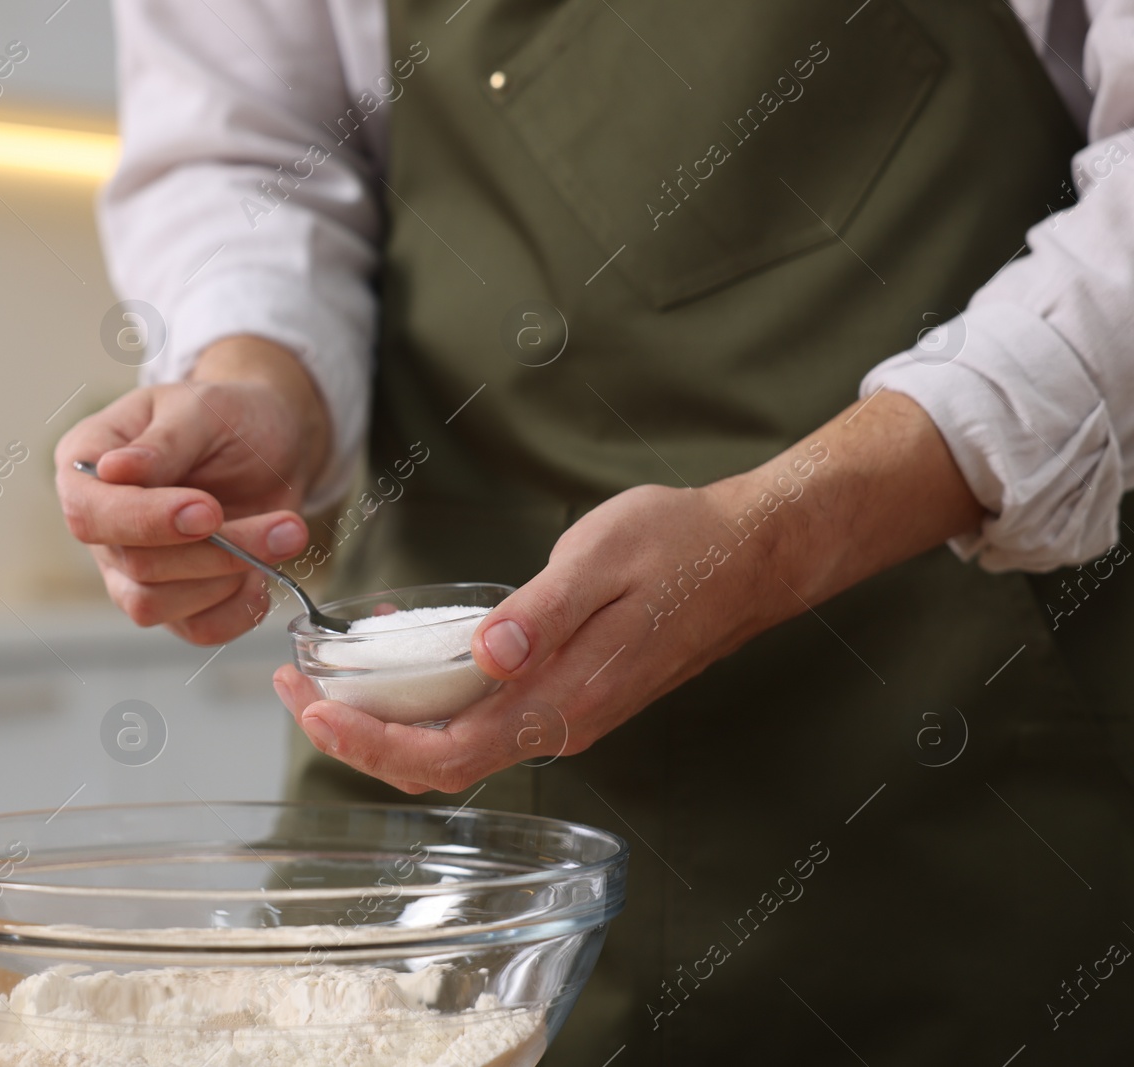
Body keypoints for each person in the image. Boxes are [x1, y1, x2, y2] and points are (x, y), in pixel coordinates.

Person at [56, 0, 1134, 1060]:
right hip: (451, 801)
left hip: (961, 744)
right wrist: (261, 381)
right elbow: (244, 148)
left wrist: (772, 534)